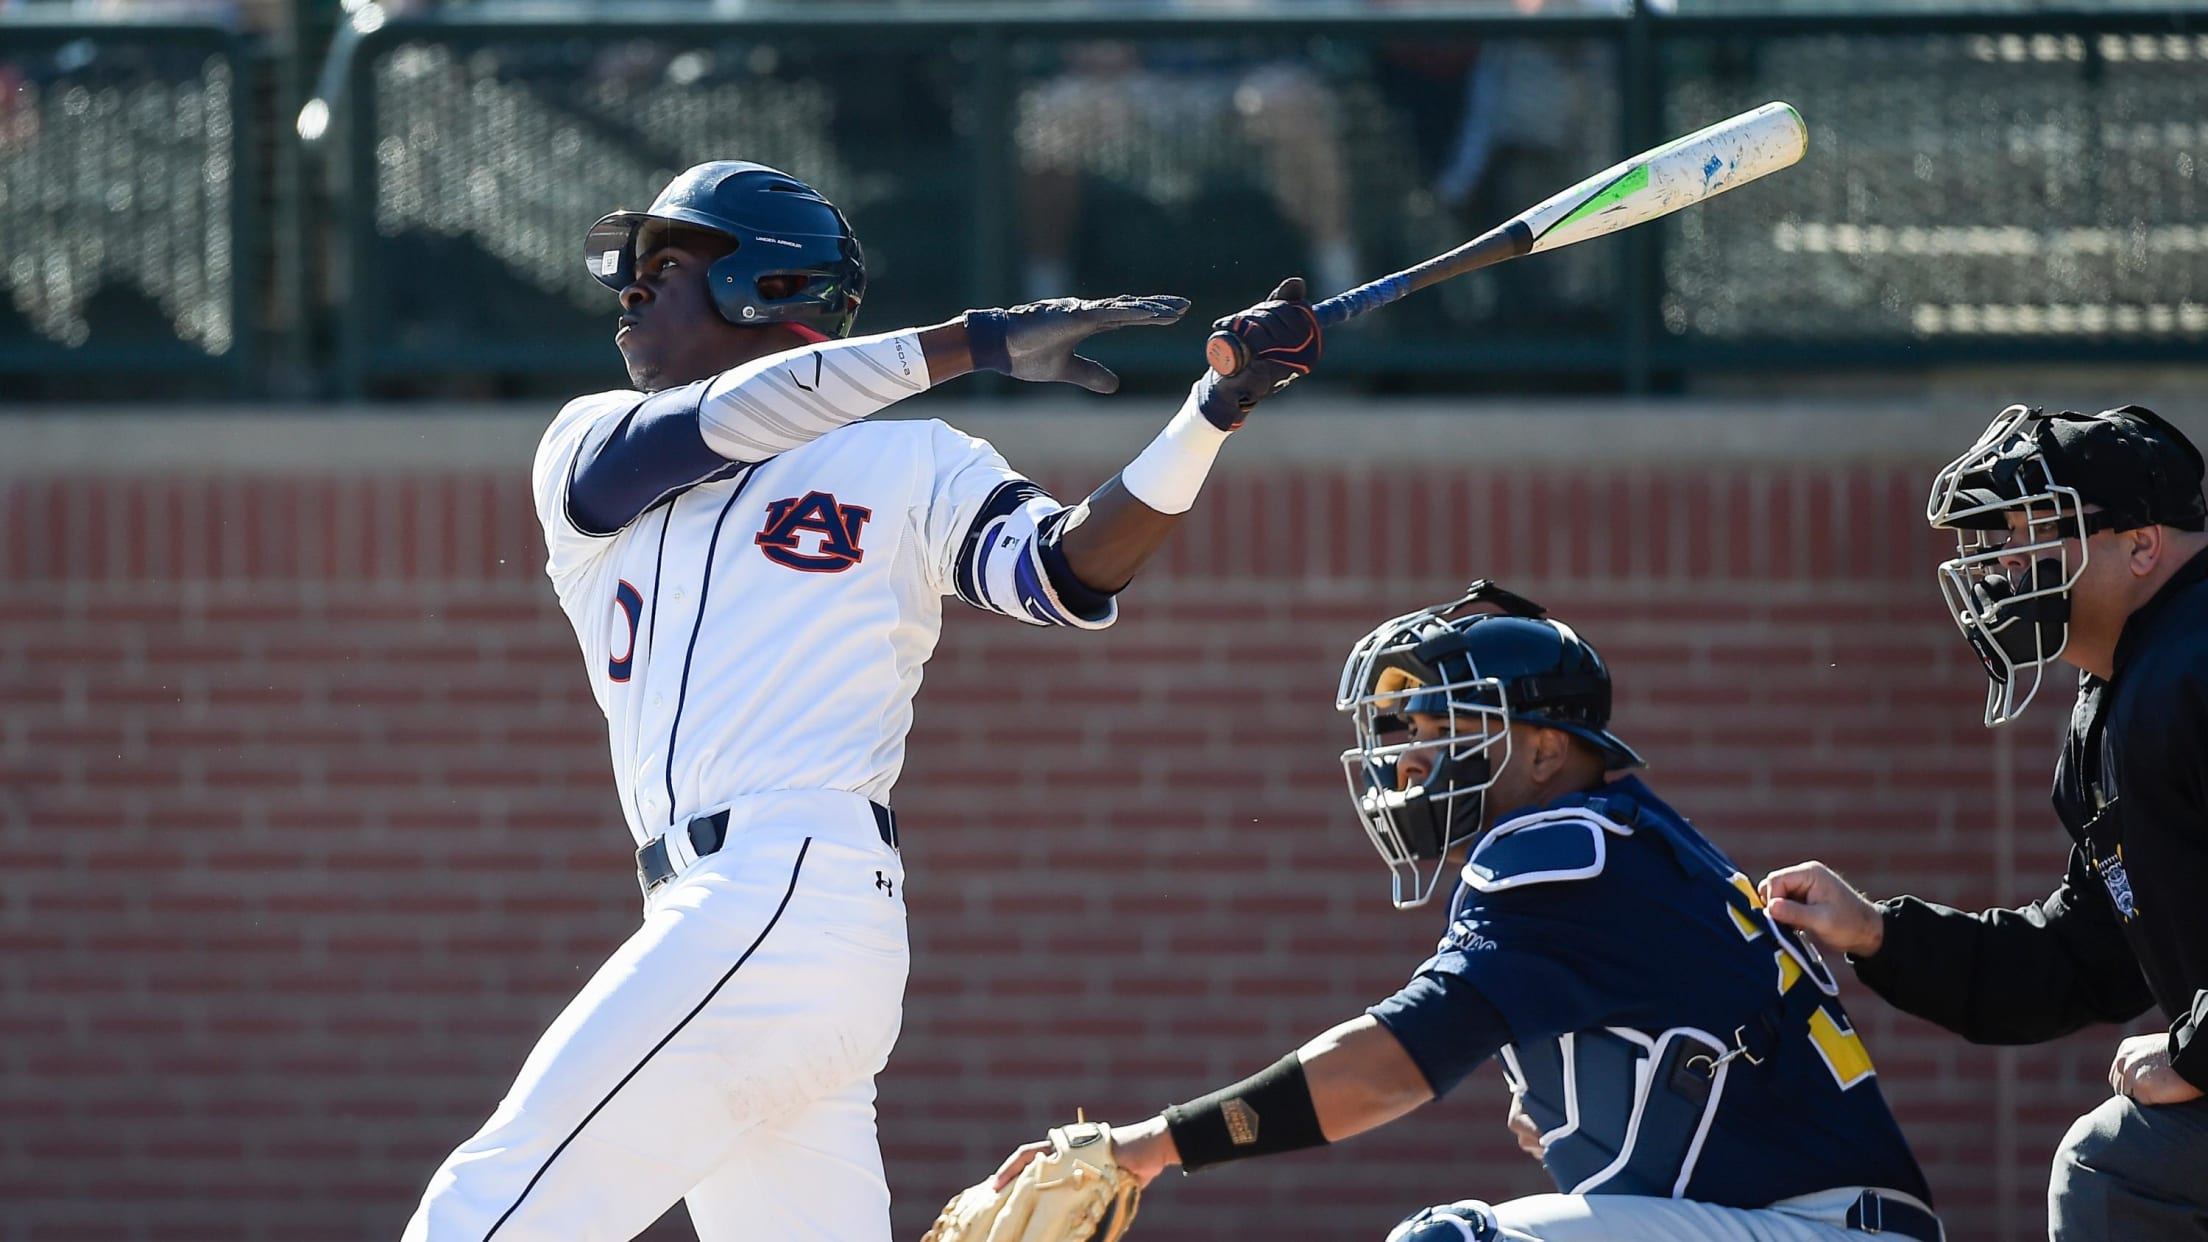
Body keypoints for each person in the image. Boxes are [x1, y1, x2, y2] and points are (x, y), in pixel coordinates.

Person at [399, 160, 1323, 1242]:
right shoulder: (592, 438)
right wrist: (978, 341)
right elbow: (720, 422)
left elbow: (1066, 572)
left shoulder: (912, 459)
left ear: (769, 285)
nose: (632, 287)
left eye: (669, 263)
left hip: (786, 885)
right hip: (729, 915)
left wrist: (1210, 414)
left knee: (486, 1207)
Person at [972, 585, 1941, 1242]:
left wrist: (1154, 1145)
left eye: (1447, 726)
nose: (1409, 756)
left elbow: (1393, 1065)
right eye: (1408, 728)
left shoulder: (1564, 847)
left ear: (1548, 750)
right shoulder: (1632, 840)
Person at [1762, 403, 2208, 1242]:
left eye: (2036, 530)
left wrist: (2195, 1053)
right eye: (2002, 536)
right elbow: (2076, 963)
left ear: (2143, 545)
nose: (2005, 561)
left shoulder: (2190, 665)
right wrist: (1879, 933)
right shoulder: (2121, 699)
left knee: (2116, 1169)